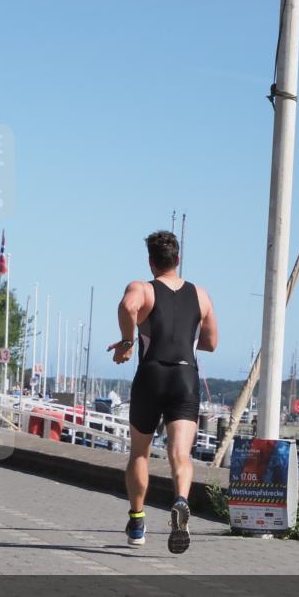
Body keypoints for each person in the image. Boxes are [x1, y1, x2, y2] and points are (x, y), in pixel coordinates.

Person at [107, 230, 217, 554]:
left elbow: (128, 307)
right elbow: (211, 343)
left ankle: (138, 522)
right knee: (180, 455)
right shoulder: (201, 295)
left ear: (151, 261)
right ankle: (180, 501)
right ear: (178, 260)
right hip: (185, 375)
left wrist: (128, 343)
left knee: (139, 453)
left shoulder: (142, 288)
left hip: (151, 375)